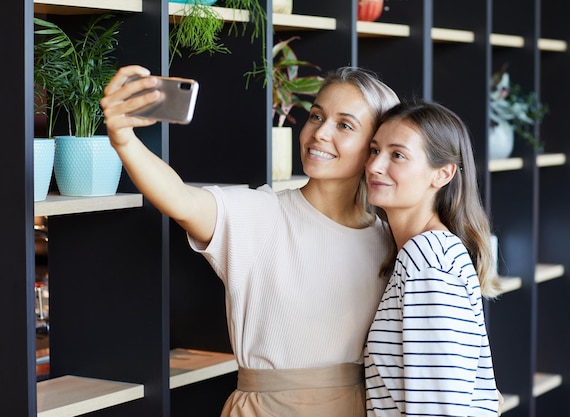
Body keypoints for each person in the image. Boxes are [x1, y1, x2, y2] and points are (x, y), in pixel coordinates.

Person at [100, 64, 400, 417]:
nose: (320, 133)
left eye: (344, 125)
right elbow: (180, 198)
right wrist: (124, 139)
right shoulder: (264, 213)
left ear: (374, 148)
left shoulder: (388, 240)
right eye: (317, 116)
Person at [363, 99, 502, 416]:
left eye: (397, 155)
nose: (374, 165)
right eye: (374, 150)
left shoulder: (429, 260)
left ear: (442, 174)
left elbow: (440, 409)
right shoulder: (421, 253)